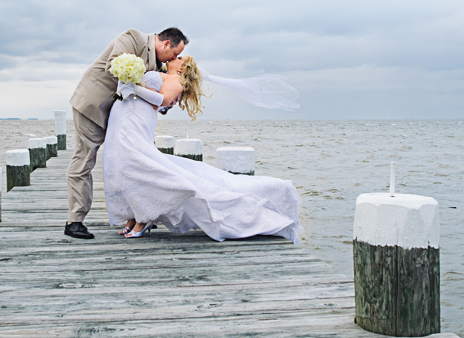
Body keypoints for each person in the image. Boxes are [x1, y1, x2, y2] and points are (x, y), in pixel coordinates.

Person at [103, 56, 301, 243]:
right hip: (128, 119)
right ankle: (134, 217)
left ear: (181, 68)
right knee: (127, 167)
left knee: (145, 168)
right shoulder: (161, 73)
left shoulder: (175, 80)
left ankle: (142, 219)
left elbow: (162, 100)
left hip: (137, 121)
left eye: (180, 58)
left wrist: (133, 87)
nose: (175, 58)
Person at [65, 28, 187, 239]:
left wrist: (169, 99)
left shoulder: (159, 65)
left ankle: (140, 214)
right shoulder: (133, 38)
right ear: (166, 44)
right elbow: (114, 66)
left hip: (121, 117)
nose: (174, 59)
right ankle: (74, 220)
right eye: (175, 54)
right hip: (94, 106)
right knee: (84, 160)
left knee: (130, 164)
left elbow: (158, 95)